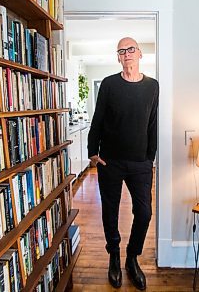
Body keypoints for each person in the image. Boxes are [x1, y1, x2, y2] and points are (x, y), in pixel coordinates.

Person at [87, 37, 159, 290]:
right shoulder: (108, 84)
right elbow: (97, 120)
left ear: (140, 54)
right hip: (110, 162)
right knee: (110, 211)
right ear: (118, 57)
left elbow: (153, 122)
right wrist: (92, 152)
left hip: (140, 162)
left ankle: (132, 257)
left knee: (145, 213)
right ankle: (114, 257)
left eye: (131, 49)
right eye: (122, 51)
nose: (127, 54)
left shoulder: (153, 86)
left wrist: (150, 156)